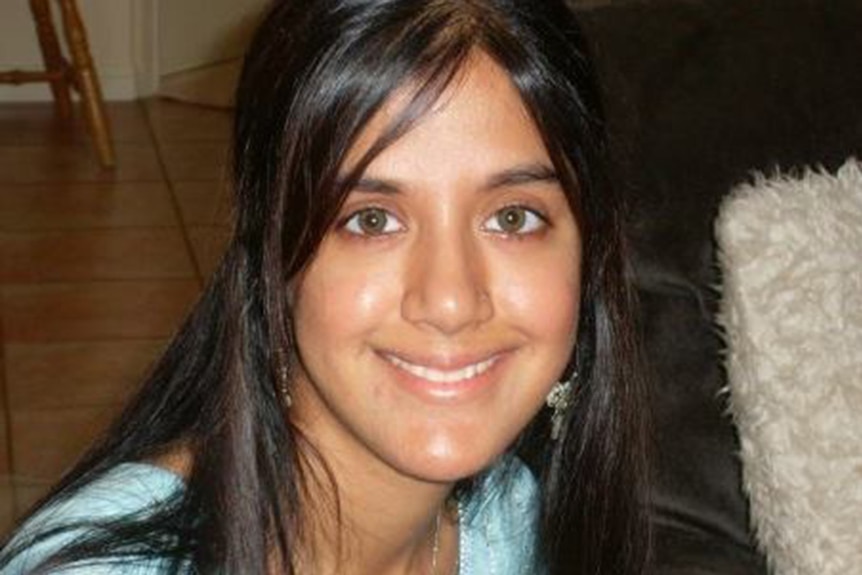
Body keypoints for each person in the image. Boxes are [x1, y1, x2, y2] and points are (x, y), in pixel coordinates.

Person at [0, 1, 649, 573]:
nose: (450, 299)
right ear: (274, 261)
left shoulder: (513, 521)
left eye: (513, 217)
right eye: (372, 220)